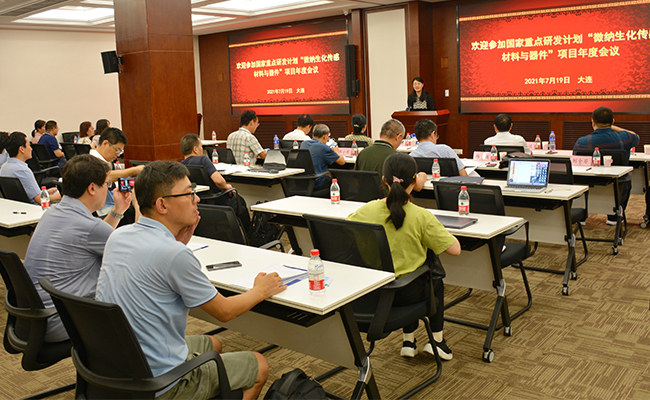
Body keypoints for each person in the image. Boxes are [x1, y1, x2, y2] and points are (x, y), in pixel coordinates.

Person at [96, 161, 285, 400]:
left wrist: (177, 243)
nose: (196, 199)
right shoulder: (174, 254)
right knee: (259, 365)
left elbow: (156, 266)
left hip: (119, 365)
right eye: (188, 194)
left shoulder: (118, 236)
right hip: (159, 382)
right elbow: (225, 312)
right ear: (162, 204)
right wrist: (260, 290)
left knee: (213, 343)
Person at [347, 153, 460, 360]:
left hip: (371, 291)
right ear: (414, 181)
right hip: (406, 293)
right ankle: (437, 341)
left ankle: (409, 341)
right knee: (432, 277)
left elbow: (345, 232)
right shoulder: (421, 215)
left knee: (412, 272)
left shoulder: (366, 210)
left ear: (384, 180)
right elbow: (455, 250)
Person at [23, 154, 133, 343]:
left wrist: (117, 211)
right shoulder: (90, 227)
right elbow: (137, 256)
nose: (108, 189)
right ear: (92, 188)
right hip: (62, 321)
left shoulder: (52, 212)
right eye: (106, 184)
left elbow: (98, 236)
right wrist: (139, 207)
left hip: (35, 319)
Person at [574, 106, 639, 225]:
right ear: (613, 121)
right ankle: (614, 217)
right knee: (626, 179)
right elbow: (635, 136)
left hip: (589, 188)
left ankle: (581, 216)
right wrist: (611, 127)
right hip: (616, 189)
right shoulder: (624, 138)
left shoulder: (582, 142)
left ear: (592, 121)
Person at [180, 133, 251, 232]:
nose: (201, 149)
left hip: (199, 203)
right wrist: (227, 187)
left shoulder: (181, 166)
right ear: (195, 149)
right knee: (240, 201)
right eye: (201, 146)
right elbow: (219, 181)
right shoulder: (203, 160)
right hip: (217, 200)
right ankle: (250, 234)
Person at [90, 127, 144, 217]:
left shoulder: (105, 161)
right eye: (117, 150)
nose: (118, 155)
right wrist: (135, 170)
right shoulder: (91, 161)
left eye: (120, 151)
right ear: (105, 143)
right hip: (106, 211)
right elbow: (106, 176)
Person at [0, 132, 61, 205]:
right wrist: (60, 195)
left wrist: (46, 192)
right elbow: (39, 199)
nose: (31, 149)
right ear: (22, 149)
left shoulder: (4, 167)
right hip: (37, 207)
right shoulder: (23, 170)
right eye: (29, 146)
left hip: (18, 206)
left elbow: (24, 194)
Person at [300, 124, 345, 191]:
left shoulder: (304, 143)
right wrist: (336, 152)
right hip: (317, 182)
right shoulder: (324, 148)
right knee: (342, 184)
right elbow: (342, 162)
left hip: (302, 181)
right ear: (325, 136)